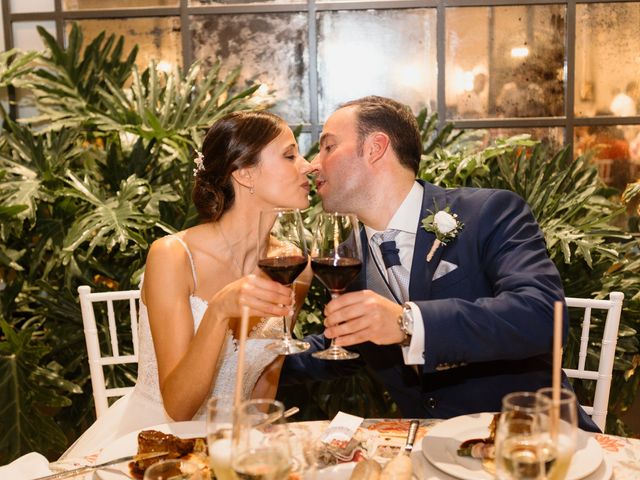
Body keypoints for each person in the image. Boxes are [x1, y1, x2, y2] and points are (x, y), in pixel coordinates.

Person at [281, 96, 599, 432]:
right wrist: (248, 362)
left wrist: (408, 325)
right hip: (430, 451)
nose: (314, 164)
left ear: (375, 148)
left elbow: (543, 317)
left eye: (328, 147)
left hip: (536, 441)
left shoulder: (489, 214)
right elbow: (343, 346)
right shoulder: (346, 257)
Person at [63, 110, 312, 457]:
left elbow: (268, 376)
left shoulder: (295, 266)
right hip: (157, 443)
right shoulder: (173, 256)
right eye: (290, 155)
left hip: (235, 445)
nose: (309, 166)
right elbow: (178, 408)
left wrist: (256, 446)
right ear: (244, 173)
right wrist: (219, 312)